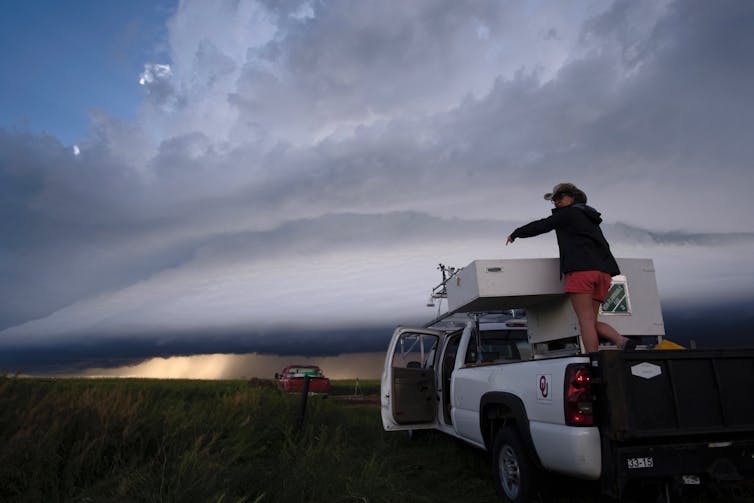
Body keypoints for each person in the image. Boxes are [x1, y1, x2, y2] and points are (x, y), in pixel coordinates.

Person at [505, 183, 635, 353]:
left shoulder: (568, 214)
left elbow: (542, 225)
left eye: (559, 197)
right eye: (553, 200)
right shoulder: (590, 217)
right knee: (591, 321)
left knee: (585, 322)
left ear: (572, 197)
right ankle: (620, 340)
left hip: (581, 271)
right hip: (603, 273)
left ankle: (593, 360)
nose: (555, 202)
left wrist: (516, 233)